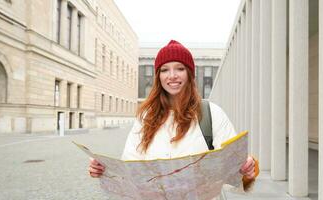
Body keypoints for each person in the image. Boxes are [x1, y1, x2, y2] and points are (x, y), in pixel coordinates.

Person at [88, 40, 258, 192]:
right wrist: (105, 171)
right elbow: (131, 167)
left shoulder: (212, 113)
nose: (172, 75)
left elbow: (235, 169)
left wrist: (247, 170)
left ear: (190, 74)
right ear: (158, 77)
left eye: (180, 68)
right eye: (165, 70)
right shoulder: (145, 117)